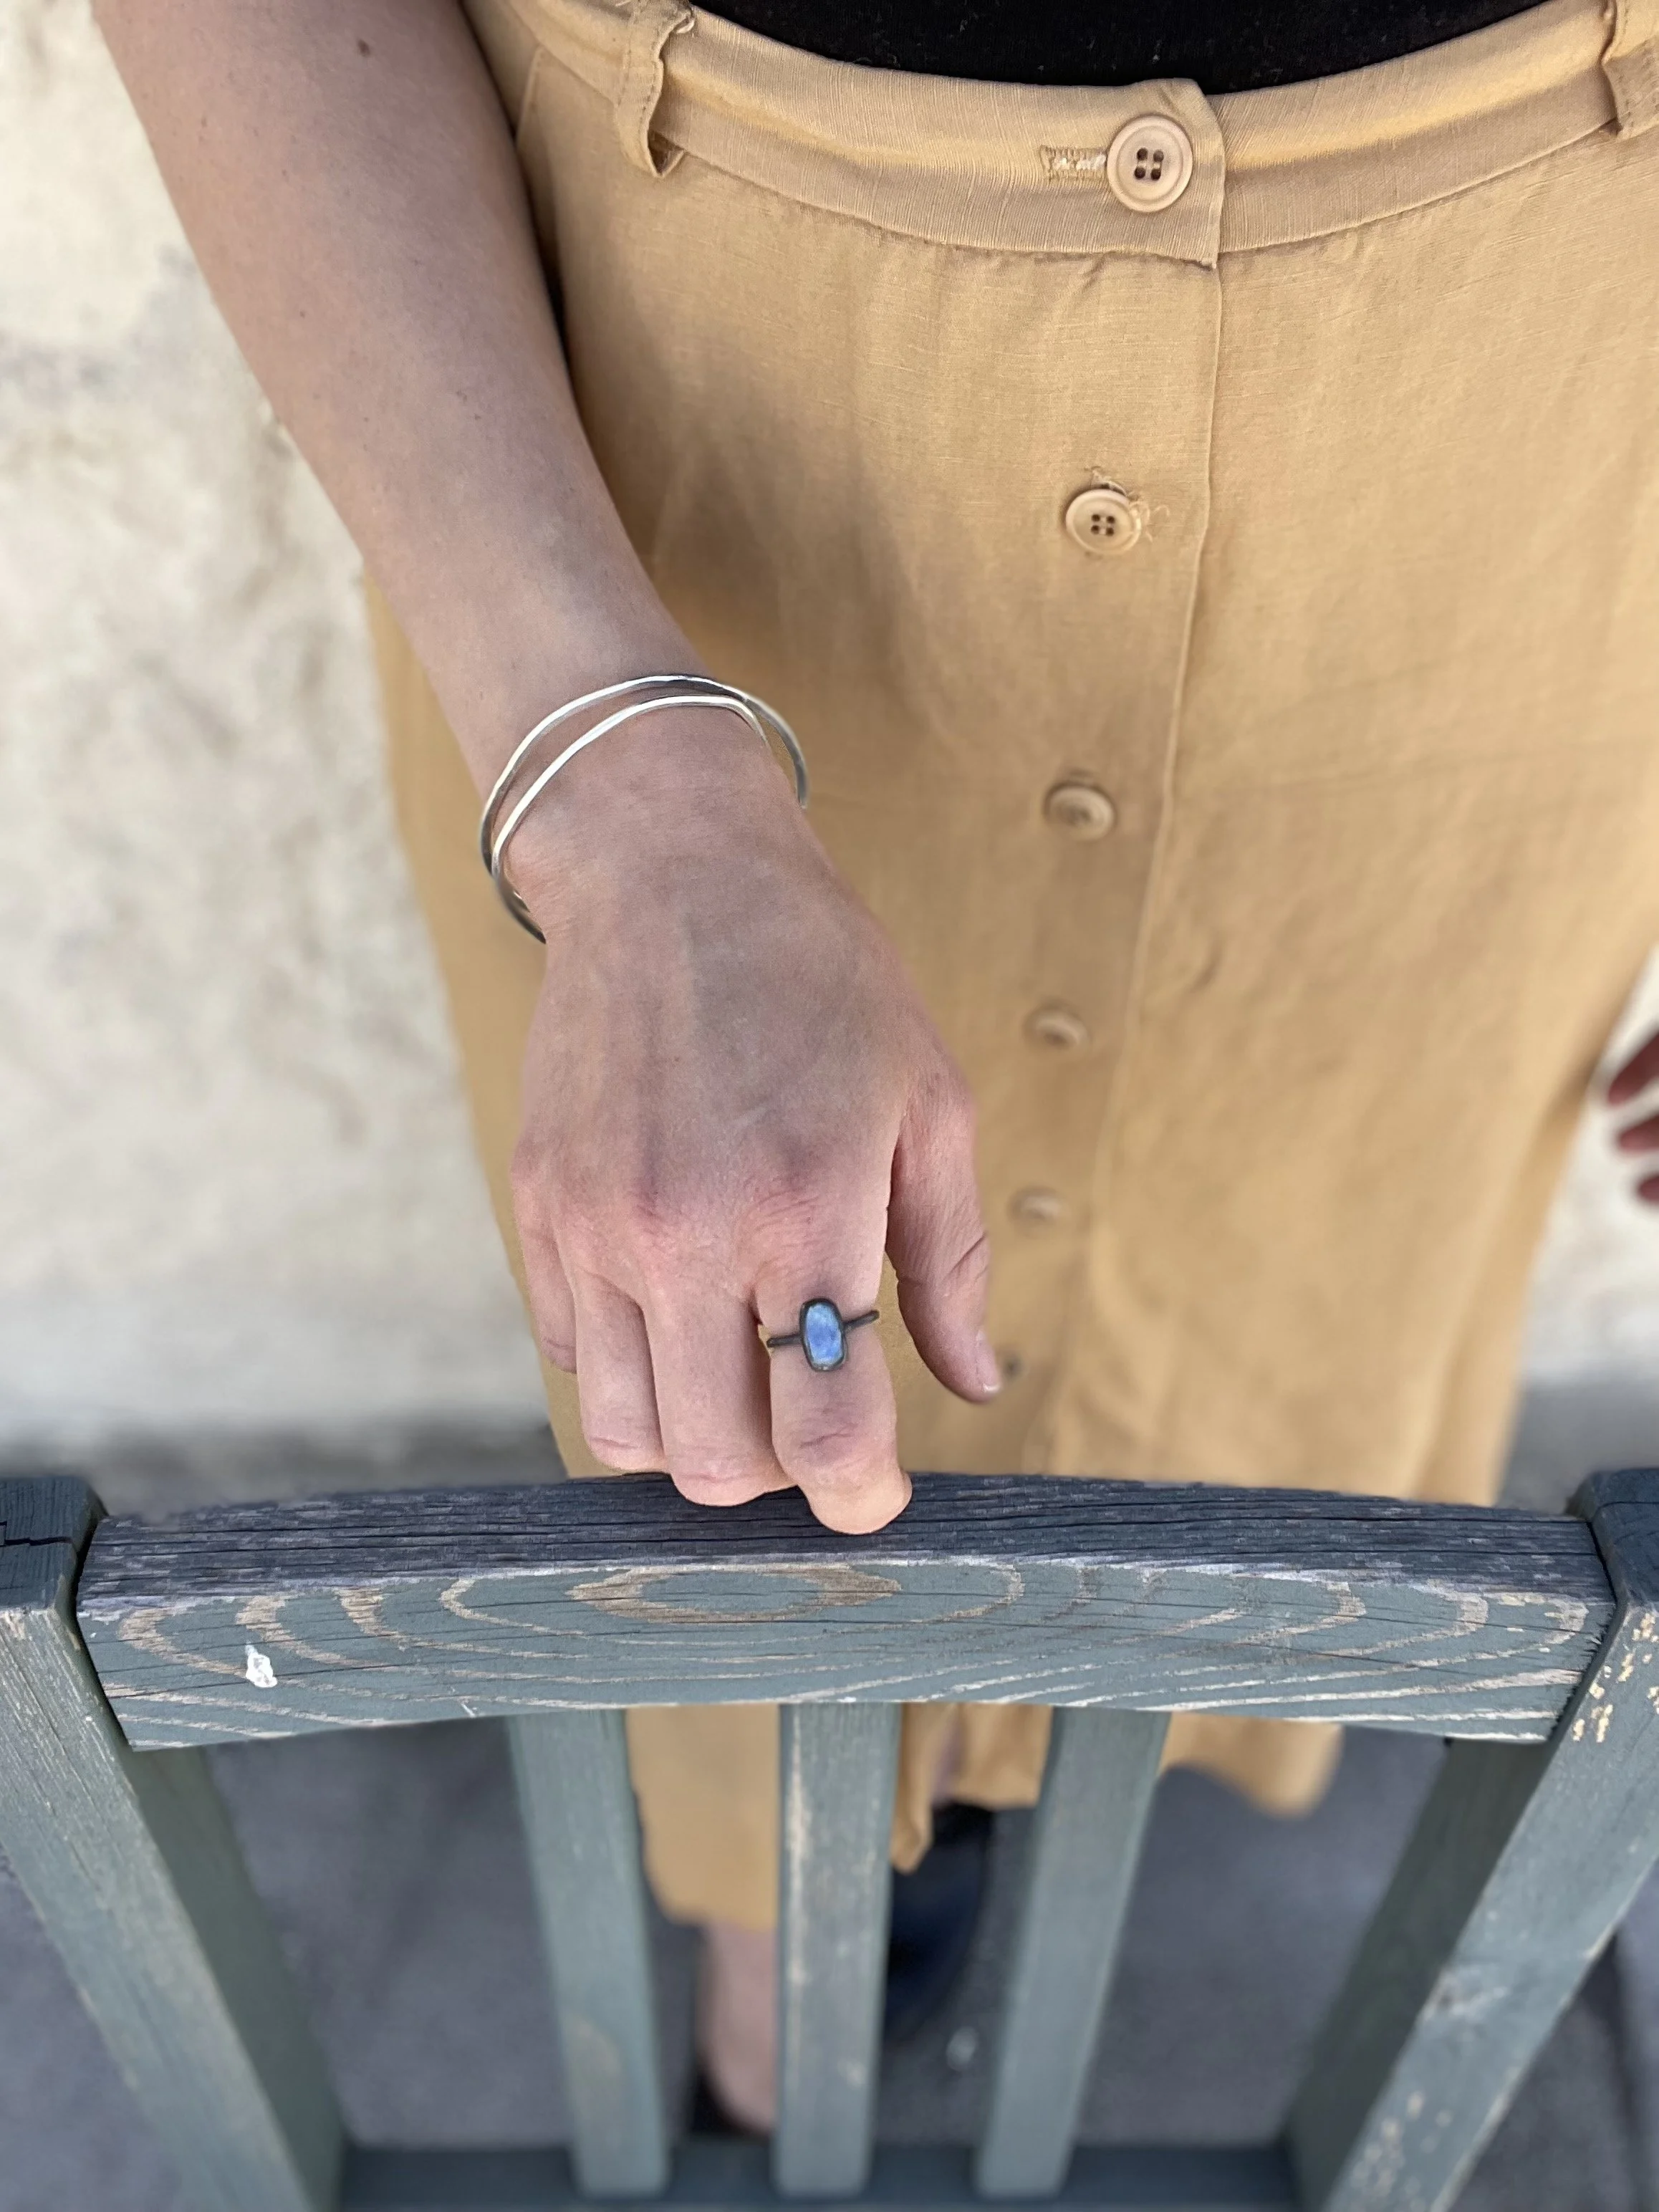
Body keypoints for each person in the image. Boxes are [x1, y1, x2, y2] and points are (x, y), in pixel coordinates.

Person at [95, 0, 1659, 2132]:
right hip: (694, 458)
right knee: (728, 1351)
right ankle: (786, 1916)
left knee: (1275, 1292)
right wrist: (630, 807)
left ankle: (1035, 1786)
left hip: (1514, 483)